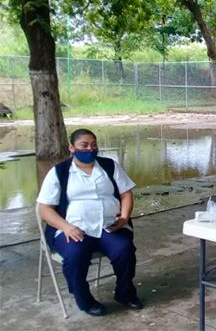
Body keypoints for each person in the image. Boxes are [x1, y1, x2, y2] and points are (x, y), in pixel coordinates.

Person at [37, 129, 142, 316]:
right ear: (72, 148)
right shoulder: (59, 172)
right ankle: (85, 300)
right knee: (75, 255)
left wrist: (124, 217)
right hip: (74, 229)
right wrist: (66, 227)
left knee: (125, 250)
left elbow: (126, 193)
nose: (90, 149)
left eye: (93, 145)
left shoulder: (110, 166)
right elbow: (45, 209)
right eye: (84, 146)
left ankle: (125, 293)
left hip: (108, 226)